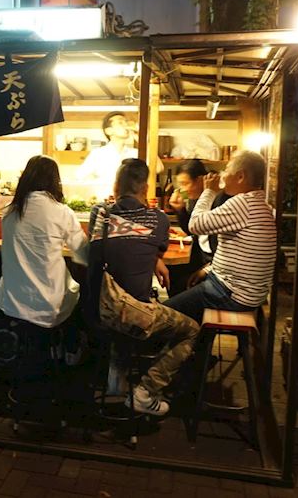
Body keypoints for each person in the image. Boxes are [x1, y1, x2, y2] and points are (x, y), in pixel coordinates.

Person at [87, 158, 200, 416]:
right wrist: (157, 261)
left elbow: (118, 248)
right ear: (145, 188)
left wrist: (153, 261)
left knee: (124, 312)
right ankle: (145, 391)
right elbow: (145, 247)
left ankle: (117, 372)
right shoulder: (157, 219)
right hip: (135, 315)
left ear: (116, 186)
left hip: (97, 310)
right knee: (191, 330)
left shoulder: (99, 213)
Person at [164, 151, 277, 323]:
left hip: (232, 293)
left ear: (240, 176)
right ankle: (197, 345)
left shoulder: (242, 203)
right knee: (185, 286)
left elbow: (195, 225)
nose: (222, 175)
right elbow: (239, 256)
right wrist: (209, 270)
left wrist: (209, 191)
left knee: (166, 312)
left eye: (227, 170)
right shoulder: (259, 202)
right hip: (246, 291)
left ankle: (183, 344)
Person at [0, 155, 88, 329]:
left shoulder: (9, 213)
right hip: (50, 306)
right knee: (78, 292)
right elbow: (83, 252)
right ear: (55, 181)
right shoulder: (61, 212)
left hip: (11, 303)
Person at [167, 159, 230, 295]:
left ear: (201, 180)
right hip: (199, 255)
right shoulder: (195, 199)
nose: (182, 189)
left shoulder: (219, 201)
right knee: (171, 268)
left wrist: (207, 268)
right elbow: (193, 229)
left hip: (214, 262)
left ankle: (182, 310)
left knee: (181, 281)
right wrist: (180, 210)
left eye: (185, 184)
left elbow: (224, 247)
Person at [76, 112, 139, 199]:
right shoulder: (98, 154)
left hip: (128, 206)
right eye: (121, 122)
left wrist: (140, 138)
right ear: (108, 131)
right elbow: (80, 177)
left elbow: (158, 168)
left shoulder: (134, 153)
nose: (126, 125)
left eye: (126, 122)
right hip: (105, 205)